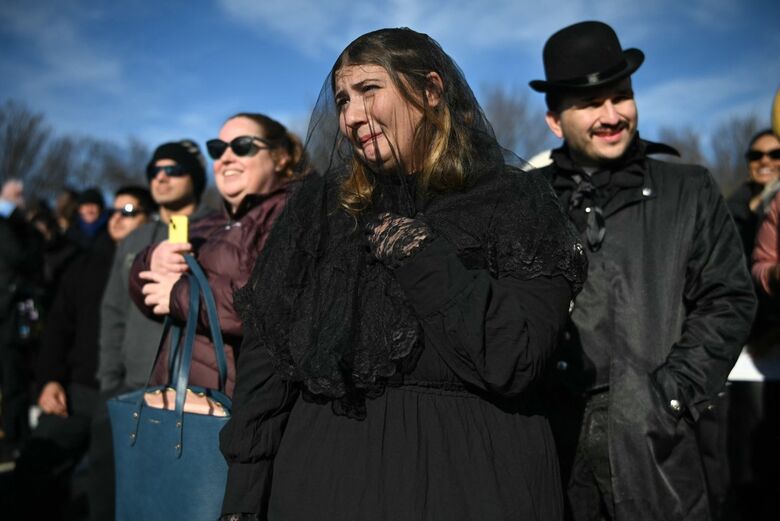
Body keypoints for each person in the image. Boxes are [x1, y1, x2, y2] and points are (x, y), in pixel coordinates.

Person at [219, 27, 586, 521]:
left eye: (369, 90)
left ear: (431, 91)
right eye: (342, 99)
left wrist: (421, 254)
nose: (350, 115)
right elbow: (267, 369)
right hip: (324, 486)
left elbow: (514, 358)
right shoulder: (317, 210)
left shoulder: (517, 202)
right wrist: (242, 501)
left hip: (475, 485)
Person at [528, 21, 756, 521]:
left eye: (622, 96)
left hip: (655, 441)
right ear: (554, 120)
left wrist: (669, 397)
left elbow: (729, 300)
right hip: (551, 446)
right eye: (590, 104)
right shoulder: (526, 202)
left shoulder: (688, 189)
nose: (612, 116)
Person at [128, 113, 302, 396]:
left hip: (238, 404)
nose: (226, 157)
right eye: (218, 149)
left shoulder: (294, 212)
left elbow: (274, 304)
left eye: (242, 145)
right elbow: (146, 294)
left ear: (280, 156)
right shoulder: (208, 222)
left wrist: (179, 296)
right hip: (179, 395)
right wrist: (150, 260)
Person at [10, 186, 153, 520]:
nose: (117, 218)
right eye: (114, 211)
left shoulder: (161, 266)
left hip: (132, 397)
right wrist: (48, 381)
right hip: (77, 392)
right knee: (32, 474)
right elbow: (58, 328)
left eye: (129, 211)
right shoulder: (84, 264)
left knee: (99, 493)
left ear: (150, 219)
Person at [91, 139, 215, 521]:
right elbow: (113, 310)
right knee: (113, 492)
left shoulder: (217, 229)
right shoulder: (135, 237)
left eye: (173, 170)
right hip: (128, 385)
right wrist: (109, 378)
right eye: (155, 171)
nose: (161, 177)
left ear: (193, 178)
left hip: (192, 393)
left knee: (174, 499)